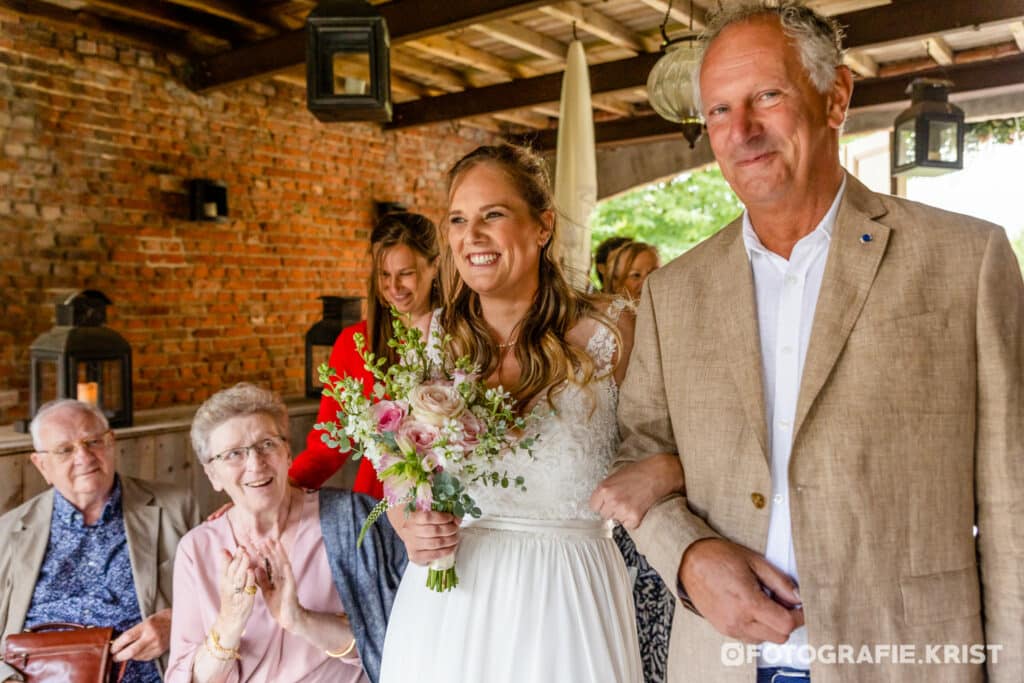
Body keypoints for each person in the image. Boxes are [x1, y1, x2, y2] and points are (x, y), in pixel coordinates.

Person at [613, 2, 1024, 682]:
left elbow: (1014, 506)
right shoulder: (672, 292)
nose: (740, 131)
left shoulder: (967, 260)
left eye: (765, 96)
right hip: (721, 664)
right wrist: (686, 555)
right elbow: (640, 454)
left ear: (834, 97)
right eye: (718, 111)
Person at [377, 143, 684, 683]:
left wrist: (664, 468)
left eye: (492, 215)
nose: (471, 236)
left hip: (569, 601)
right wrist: (407, 521)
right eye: (457, 219)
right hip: (449, 606)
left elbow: (689, 441)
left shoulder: (615, 330)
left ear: (542, 226)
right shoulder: (435, 341)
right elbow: (399, 464)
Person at [166, 383, 407, 683]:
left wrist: (300, 619)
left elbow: (396, 646)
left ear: (288, 453)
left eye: (267, 444)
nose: (255, 464)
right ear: (212, 475)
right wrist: (228, 624)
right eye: (234, 454)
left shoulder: (353, 521)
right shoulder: (197, 550)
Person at [0, 399, 198, 683]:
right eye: (65, 450)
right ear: (41, 464)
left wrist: (177, 622)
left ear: (111, 442)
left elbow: (220, 597)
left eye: (92, 442)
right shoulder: (7, 533)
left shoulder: (176, 508)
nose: (83, 457)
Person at [289, 212, 441, 495]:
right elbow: (327, 444)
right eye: (384, 274)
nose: (394, 288)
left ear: (435, 266)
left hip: (457, 506)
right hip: (378, 502)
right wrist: (283, 491)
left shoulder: (465, 336)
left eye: (406, 273)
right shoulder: (353, 343)